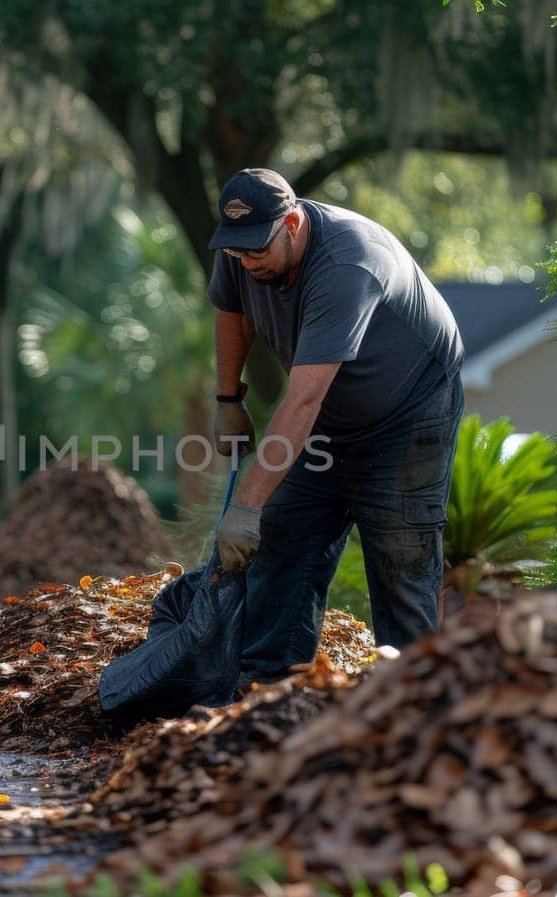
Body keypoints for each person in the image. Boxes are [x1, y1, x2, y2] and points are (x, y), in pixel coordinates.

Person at [206, 168, 464, 684]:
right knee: (283, 537)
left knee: (400, 567)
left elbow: (301, 400)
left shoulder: (349, 261)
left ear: (294, 223)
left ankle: (414, 704)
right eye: (238, 253)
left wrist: (244, 505)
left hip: (408, 415)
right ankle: (272, 689)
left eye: (258, 250)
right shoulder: (242, 245)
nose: (247, 262)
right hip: (327, 415)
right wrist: (228, 398)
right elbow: (230, 312)